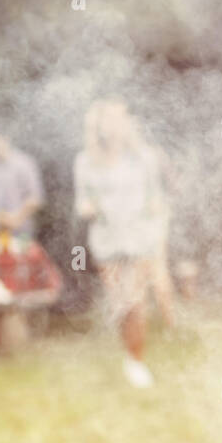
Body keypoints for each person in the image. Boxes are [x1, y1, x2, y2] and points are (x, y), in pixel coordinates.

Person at [73, 98, 169, 387]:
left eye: (121, 119)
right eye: (110, 120)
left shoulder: (144, 157)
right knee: (120, 303)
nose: (117, 125)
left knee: (135, 301)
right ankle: (129, 352)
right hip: (107, 242)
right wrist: (89, 208)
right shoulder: (85, 161)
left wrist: (154, 210)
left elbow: (156, 196)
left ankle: (136, 362)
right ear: (99, 126)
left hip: (140, 239)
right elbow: (82, 202)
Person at [0, 133, 44, 242]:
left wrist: (17, 218)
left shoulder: (24, 163)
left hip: (19, 231)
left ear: (6, 138)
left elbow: (35, 198)